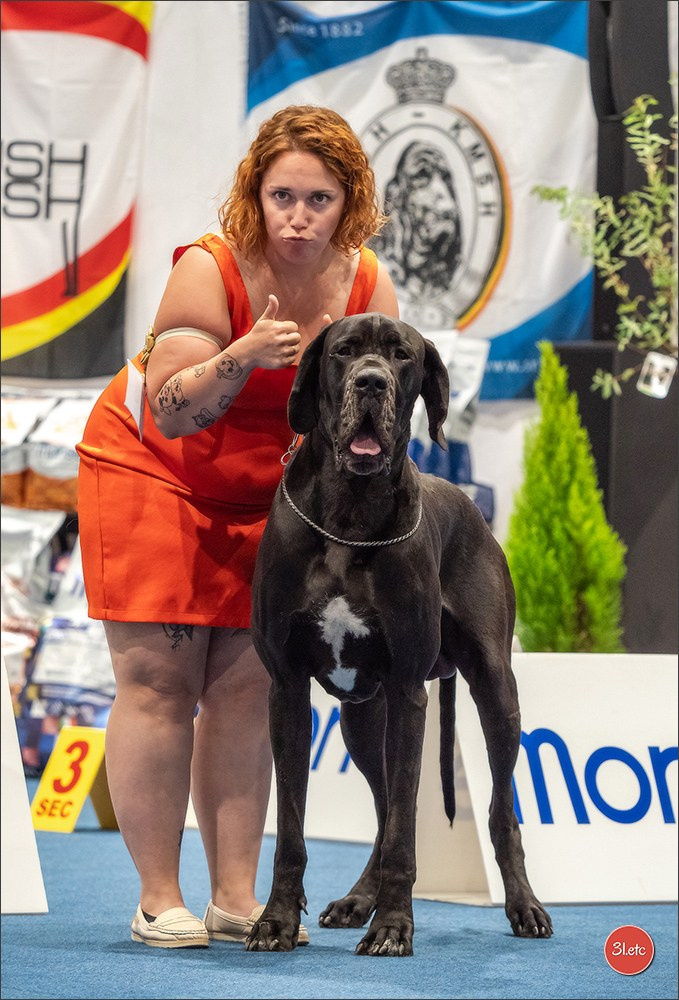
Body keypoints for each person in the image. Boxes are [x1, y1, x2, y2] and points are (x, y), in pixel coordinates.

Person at [76, 105, 399, 949]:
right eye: (281, 195)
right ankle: (157, 898)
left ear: (349, 202)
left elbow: (379, 420)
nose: (297, 217)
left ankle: (234, 894)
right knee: (160, 684)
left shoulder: (366, 284)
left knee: (249, 689)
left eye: (319, 200)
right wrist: (244, 352)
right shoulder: (209, 268)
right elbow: (173, 411)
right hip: (155, 471)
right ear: (255, 194)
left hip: (271, 493)